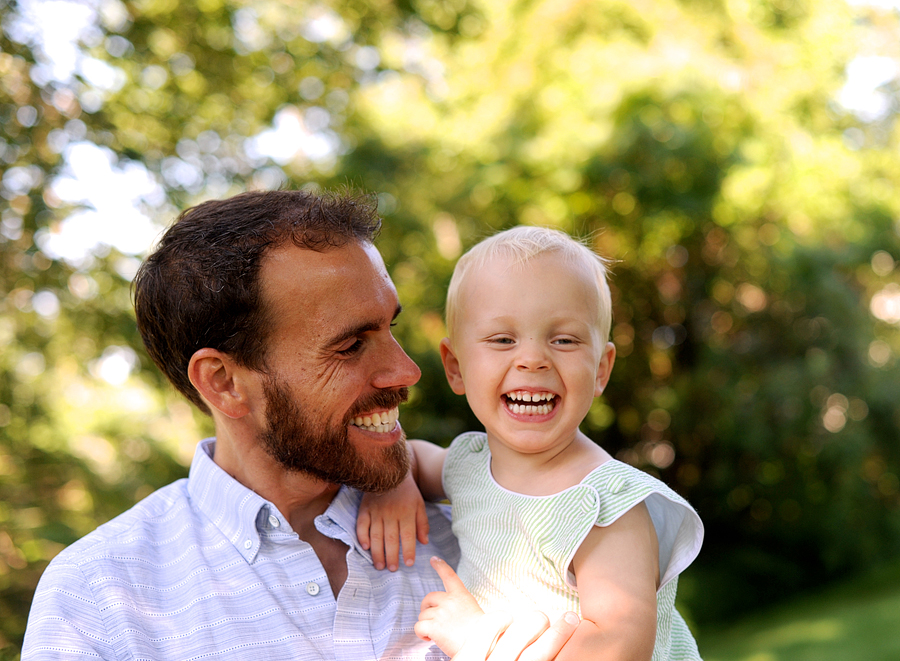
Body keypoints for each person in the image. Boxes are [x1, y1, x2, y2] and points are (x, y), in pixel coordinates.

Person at [21, 189, 578, 661]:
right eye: (351, 344)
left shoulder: (491, 533)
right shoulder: (99, 598)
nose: (406, 370)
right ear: (223, 382)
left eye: (389, 327)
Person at [358, 226, 704, 660]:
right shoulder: (468, 464)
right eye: (503, 339)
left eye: (564, 340)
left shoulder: (601, 504)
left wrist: (476, 643)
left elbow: (620, 647)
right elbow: (410, 458)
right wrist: (392, 487)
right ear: (456, 368)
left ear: (601, 369)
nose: (533, 358)